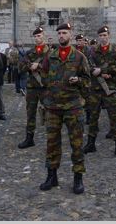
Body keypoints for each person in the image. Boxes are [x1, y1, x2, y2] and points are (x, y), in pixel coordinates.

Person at [39, 23, 90, 194]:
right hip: (53, 107)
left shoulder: (79, 57)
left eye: (65, 33)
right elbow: (43, 76)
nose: (61, 35)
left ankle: (78, 177)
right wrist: (47, 95)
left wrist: (79, 81)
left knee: (76, 143)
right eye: (59, 33)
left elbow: (88, 81)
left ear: (70, 35)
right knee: (52, 143)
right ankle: (51, 176)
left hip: (73, 107)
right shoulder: (50, 55)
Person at [83, 26, 116, 159]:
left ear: (109, 35)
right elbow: (86, 66)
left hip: (110, 88)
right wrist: (93, 71)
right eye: (100, 35)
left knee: (114, 117)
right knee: (93, 117)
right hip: (95, 89)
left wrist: (103, 71)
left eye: (105, 35)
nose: (103, 37)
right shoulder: (92, 51)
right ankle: (91, 143)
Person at [17, 28, 49, 149]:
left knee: (50, 113)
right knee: (30, 113)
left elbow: (55, 68)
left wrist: (39, 65)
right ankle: (29, 138)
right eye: (35, 36)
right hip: (32, 88)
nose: (37, 38)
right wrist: (30, 66)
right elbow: (20, 67)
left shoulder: (51, 52)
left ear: (43, 36)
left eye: (39, 36)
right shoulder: (29, 52)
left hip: (45, 87)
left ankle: (51, 137)